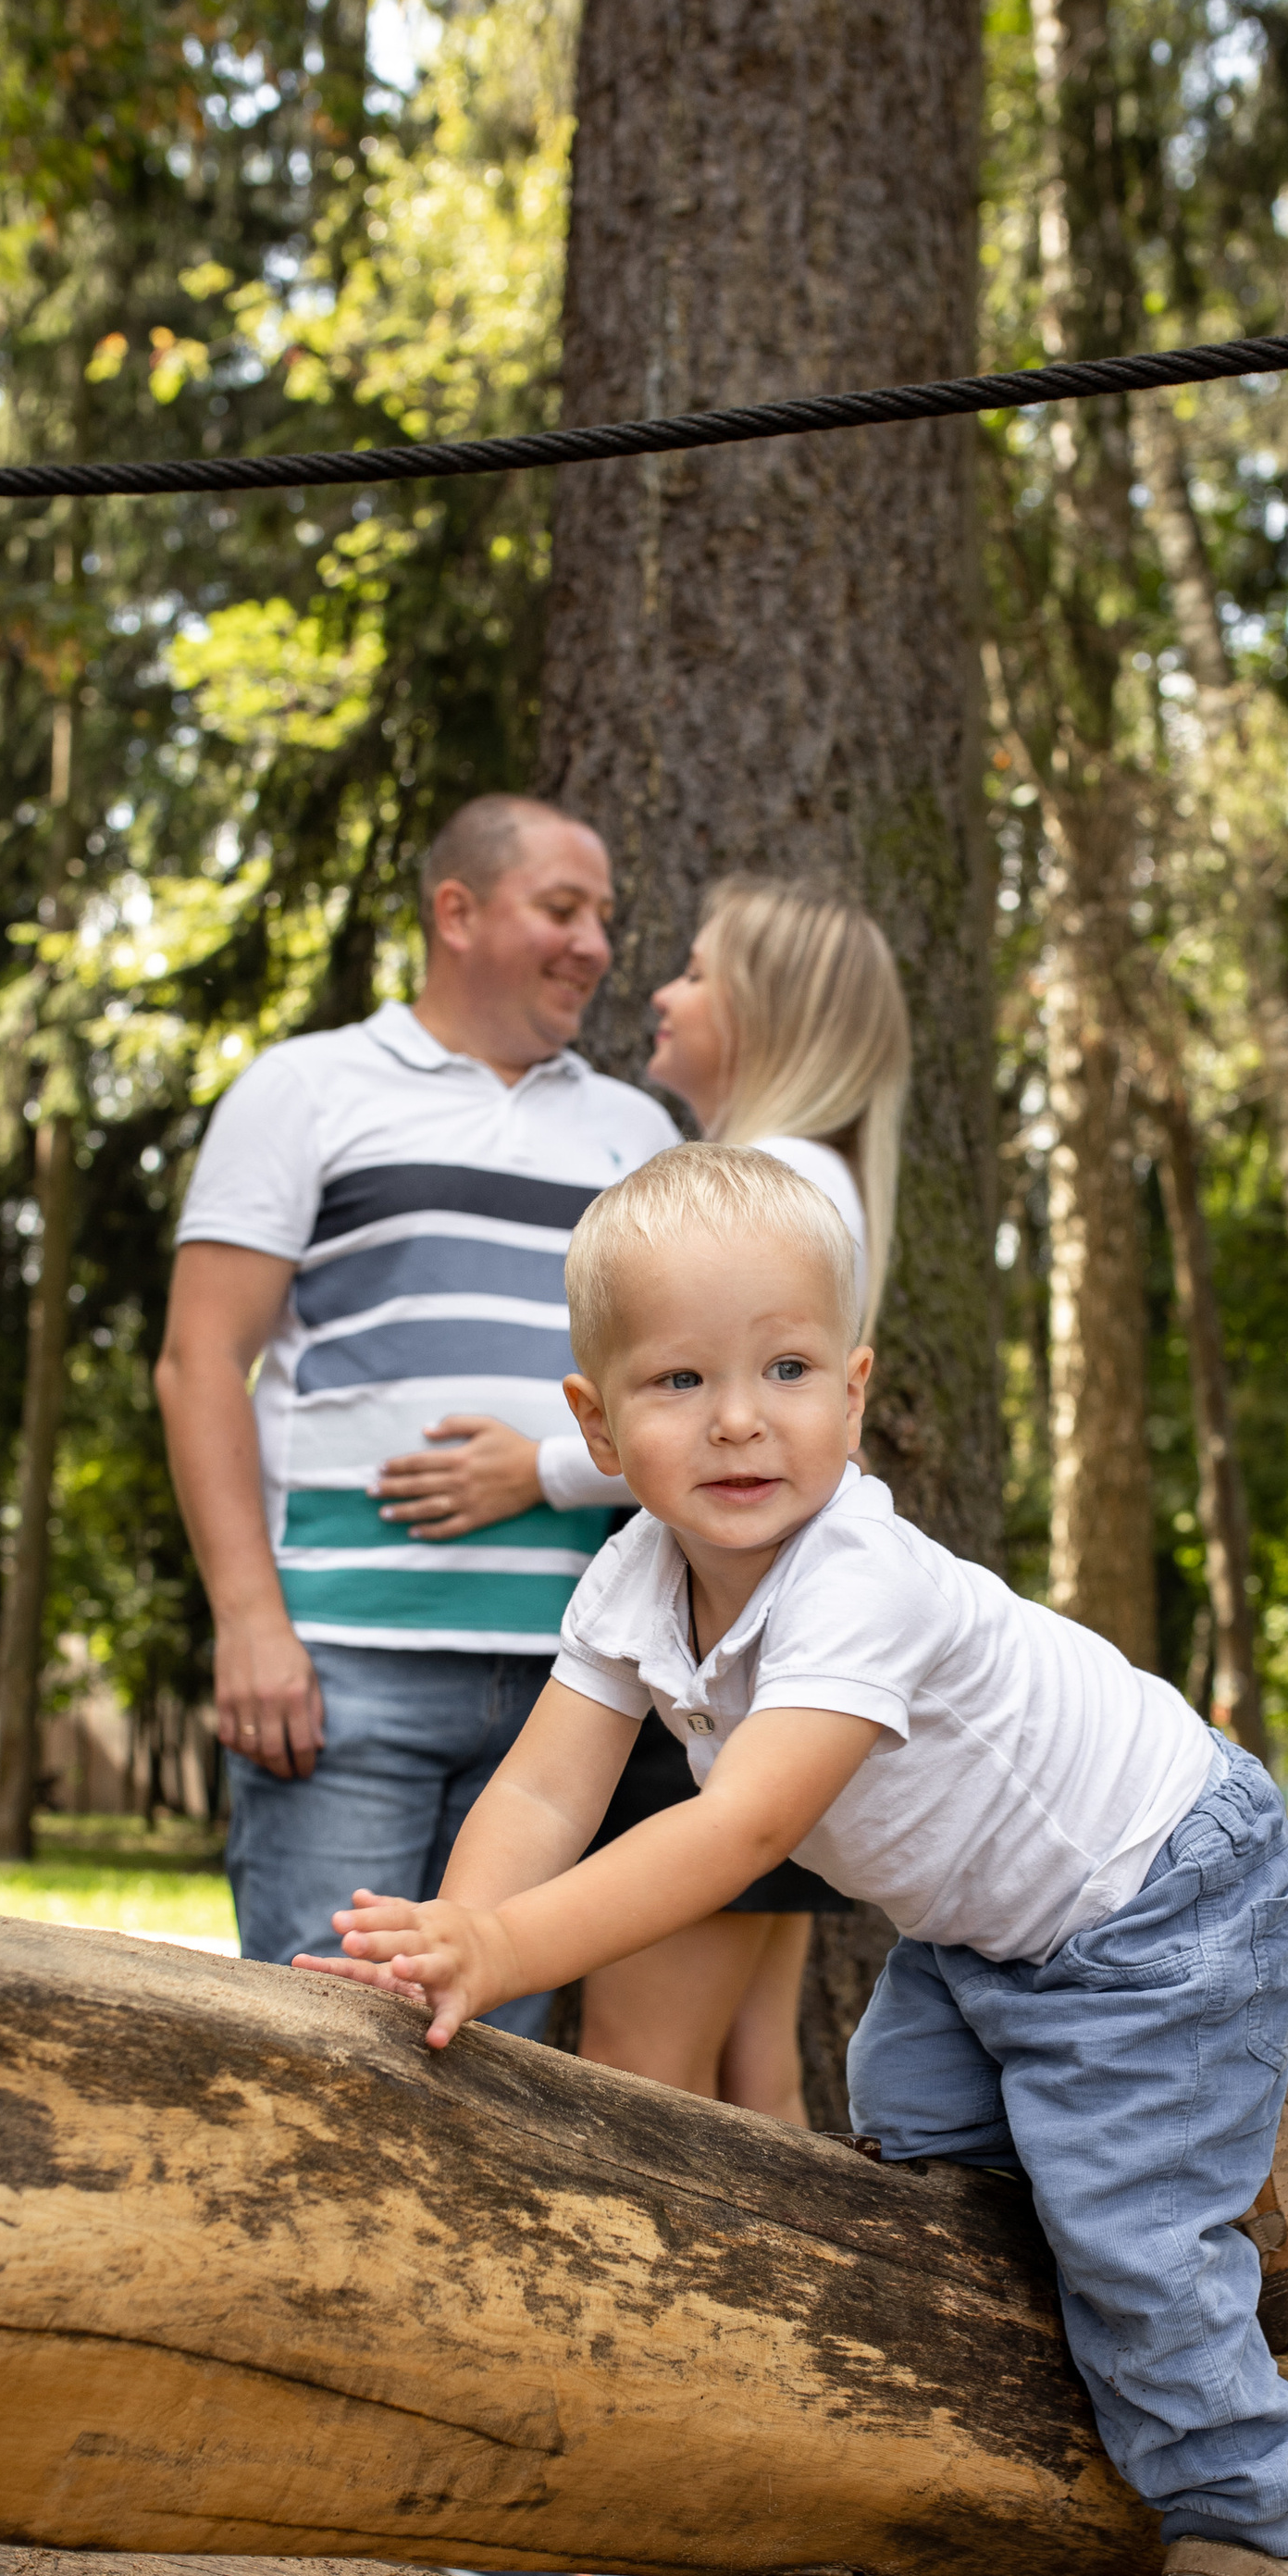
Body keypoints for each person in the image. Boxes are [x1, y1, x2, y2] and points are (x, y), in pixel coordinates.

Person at [298, 1144, 1288, 2576]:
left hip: (1161, 1900)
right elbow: (546, 1787)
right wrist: (452, 1933)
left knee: (1126, 2237)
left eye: (785, 1370)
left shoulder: (858, 1579)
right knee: (910, 2170)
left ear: (853, 1396)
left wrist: (506, 1951)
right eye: (681, 1380)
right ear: (596, 1426)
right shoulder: (636, 1579)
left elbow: (740, 1831)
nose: (739, 1419)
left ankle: (1245, 2544)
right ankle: (1233, 2159)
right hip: (990, 1937)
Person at [154, 793, 674, 2018]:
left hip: (575, 1686)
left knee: (497, 2065)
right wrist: (249, 1622)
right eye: (563, 909)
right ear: (457, 911)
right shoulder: (306, 1088)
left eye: (603, 917)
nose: (594, 945)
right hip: (342, 1674)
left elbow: (679, 1388)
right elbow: (198, 1360)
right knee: (323, 2046)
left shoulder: (638, 1132)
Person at [561, 878, 910, 2124]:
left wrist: (528, 1467)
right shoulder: (821, 1179)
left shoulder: (764, 1182)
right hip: (779, 1654)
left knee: (639, 2063)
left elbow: (682, 1413)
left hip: (722, 1649)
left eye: (699, 972)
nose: (663, 991)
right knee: (757, 2072)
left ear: (771, 1016)